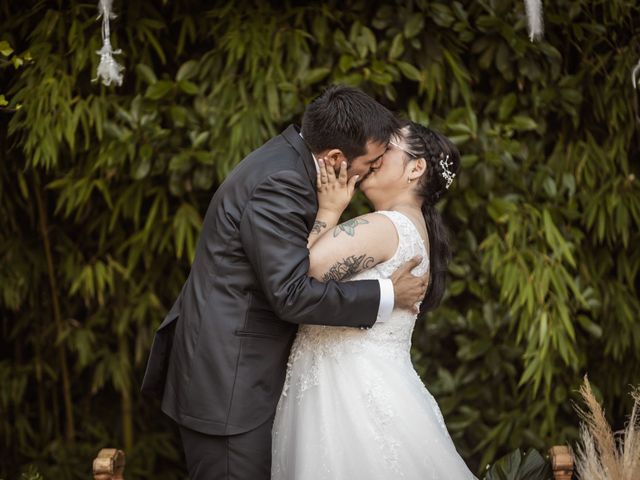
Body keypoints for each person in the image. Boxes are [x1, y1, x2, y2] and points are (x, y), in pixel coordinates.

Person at [140, 85, 429, 480]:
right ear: (336, 158)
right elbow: (291, 294)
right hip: (230, 382)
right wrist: (387, 293)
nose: (371, 171)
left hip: (238, 371)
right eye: (372, 161)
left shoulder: (287, 163)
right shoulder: (283, 182)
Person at [271, 121, 477, 479]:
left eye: (389, 147)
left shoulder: (388, 226)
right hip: (360, 389)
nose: (377, 154)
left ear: (416, 168)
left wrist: (330, 209)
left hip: (351, 401)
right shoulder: (411, 228)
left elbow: (301, 272)